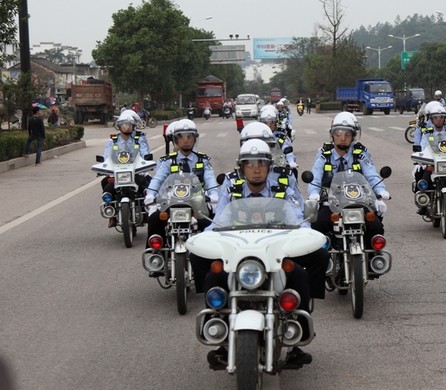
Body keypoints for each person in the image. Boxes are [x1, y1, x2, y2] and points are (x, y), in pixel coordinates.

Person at [199, 139, 328, 367]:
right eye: (250, 164)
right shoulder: (231, 191)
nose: (256, 169)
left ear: (269, 167)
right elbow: (218, 221)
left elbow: (298, 219)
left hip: (275, 254)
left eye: (261, 164)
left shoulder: (283, 190)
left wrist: (305, 234)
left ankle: (298, 335)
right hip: (239, 255)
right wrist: (205, 237)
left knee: (299, 274)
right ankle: (219, 333)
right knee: (213, 275)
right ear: (242, 168)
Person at [144, 119, 219, 270]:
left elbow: (210, 179)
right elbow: (158, 179)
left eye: (189, 136)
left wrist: (214, 195)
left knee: (211, 224)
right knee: (154, 219)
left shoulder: (203, 160)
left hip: (197, 204)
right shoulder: (167, 161)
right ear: (176, 140)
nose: (186, 140)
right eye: (182, 137)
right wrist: (150, 195)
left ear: (194, 139)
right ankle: (156, 254)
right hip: (171, 202)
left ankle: (211, 260)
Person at [307, 112, 390, 249]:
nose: (342, 138)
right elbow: (315, 177)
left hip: (359, 202)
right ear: (332, 135)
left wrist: (381, 191)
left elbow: (371, 175)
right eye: (338, 134)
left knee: (376, 226)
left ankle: (372, 259)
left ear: (353, 136)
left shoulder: (361, 153)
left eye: (347, 134)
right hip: (331, 203)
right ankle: (325, 261)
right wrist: (313, 194)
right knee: (317, 225)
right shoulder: (324, 154)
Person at [101, 111, 152, 227]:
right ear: (119, 126)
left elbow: (145, 154)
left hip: (136, 173)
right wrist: (104, 167)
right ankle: (112, 214)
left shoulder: (139, 139)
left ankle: (146, 212)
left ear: (133, 126)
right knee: (106, 185)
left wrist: (147, 161)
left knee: (149, 185)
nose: (127, 127)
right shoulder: (112, 141)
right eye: (124, 124)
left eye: (129, 124)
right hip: (118, 174)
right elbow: (106, 158)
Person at [416, 104, 446, 216]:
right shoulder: (427, 132)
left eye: (441, 117)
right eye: (436, 118)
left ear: (444, 119)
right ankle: (423, 203)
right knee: (422, 180)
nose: (438, 120)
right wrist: (423, 159)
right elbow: (423, 146)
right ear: (432, 120)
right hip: (432, 164)